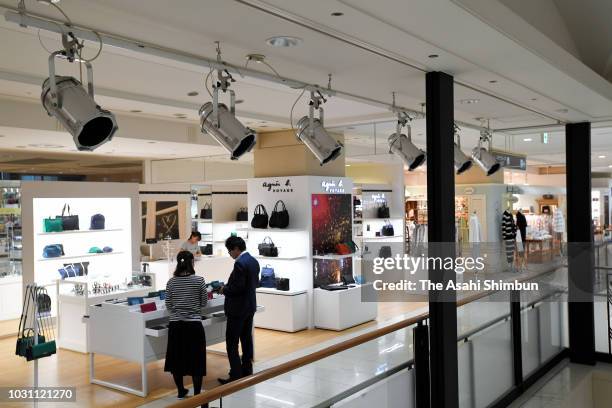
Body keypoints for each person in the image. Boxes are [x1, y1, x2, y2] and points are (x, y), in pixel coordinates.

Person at [164, 251, 208, 399]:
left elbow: (168, 305)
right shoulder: (199, 280)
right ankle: (197, 395)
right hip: (194, 326)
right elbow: (203, 303)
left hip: (176, 326)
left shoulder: (171, 282)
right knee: (197, 361)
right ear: (192, 263)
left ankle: (181, 391)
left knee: (177, 360)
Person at [218, 236, 260, 384]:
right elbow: (254, 284)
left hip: (237, 309)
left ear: (236, 249)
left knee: (232, 342)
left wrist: (224, 289)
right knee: (246, 340)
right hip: (249, 307)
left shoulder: (240, 264)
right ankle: (247, 370)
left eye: (230, 251)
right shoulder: (253, 261)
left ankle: (235, 374)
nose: (230, 254)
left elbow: (237, 288)